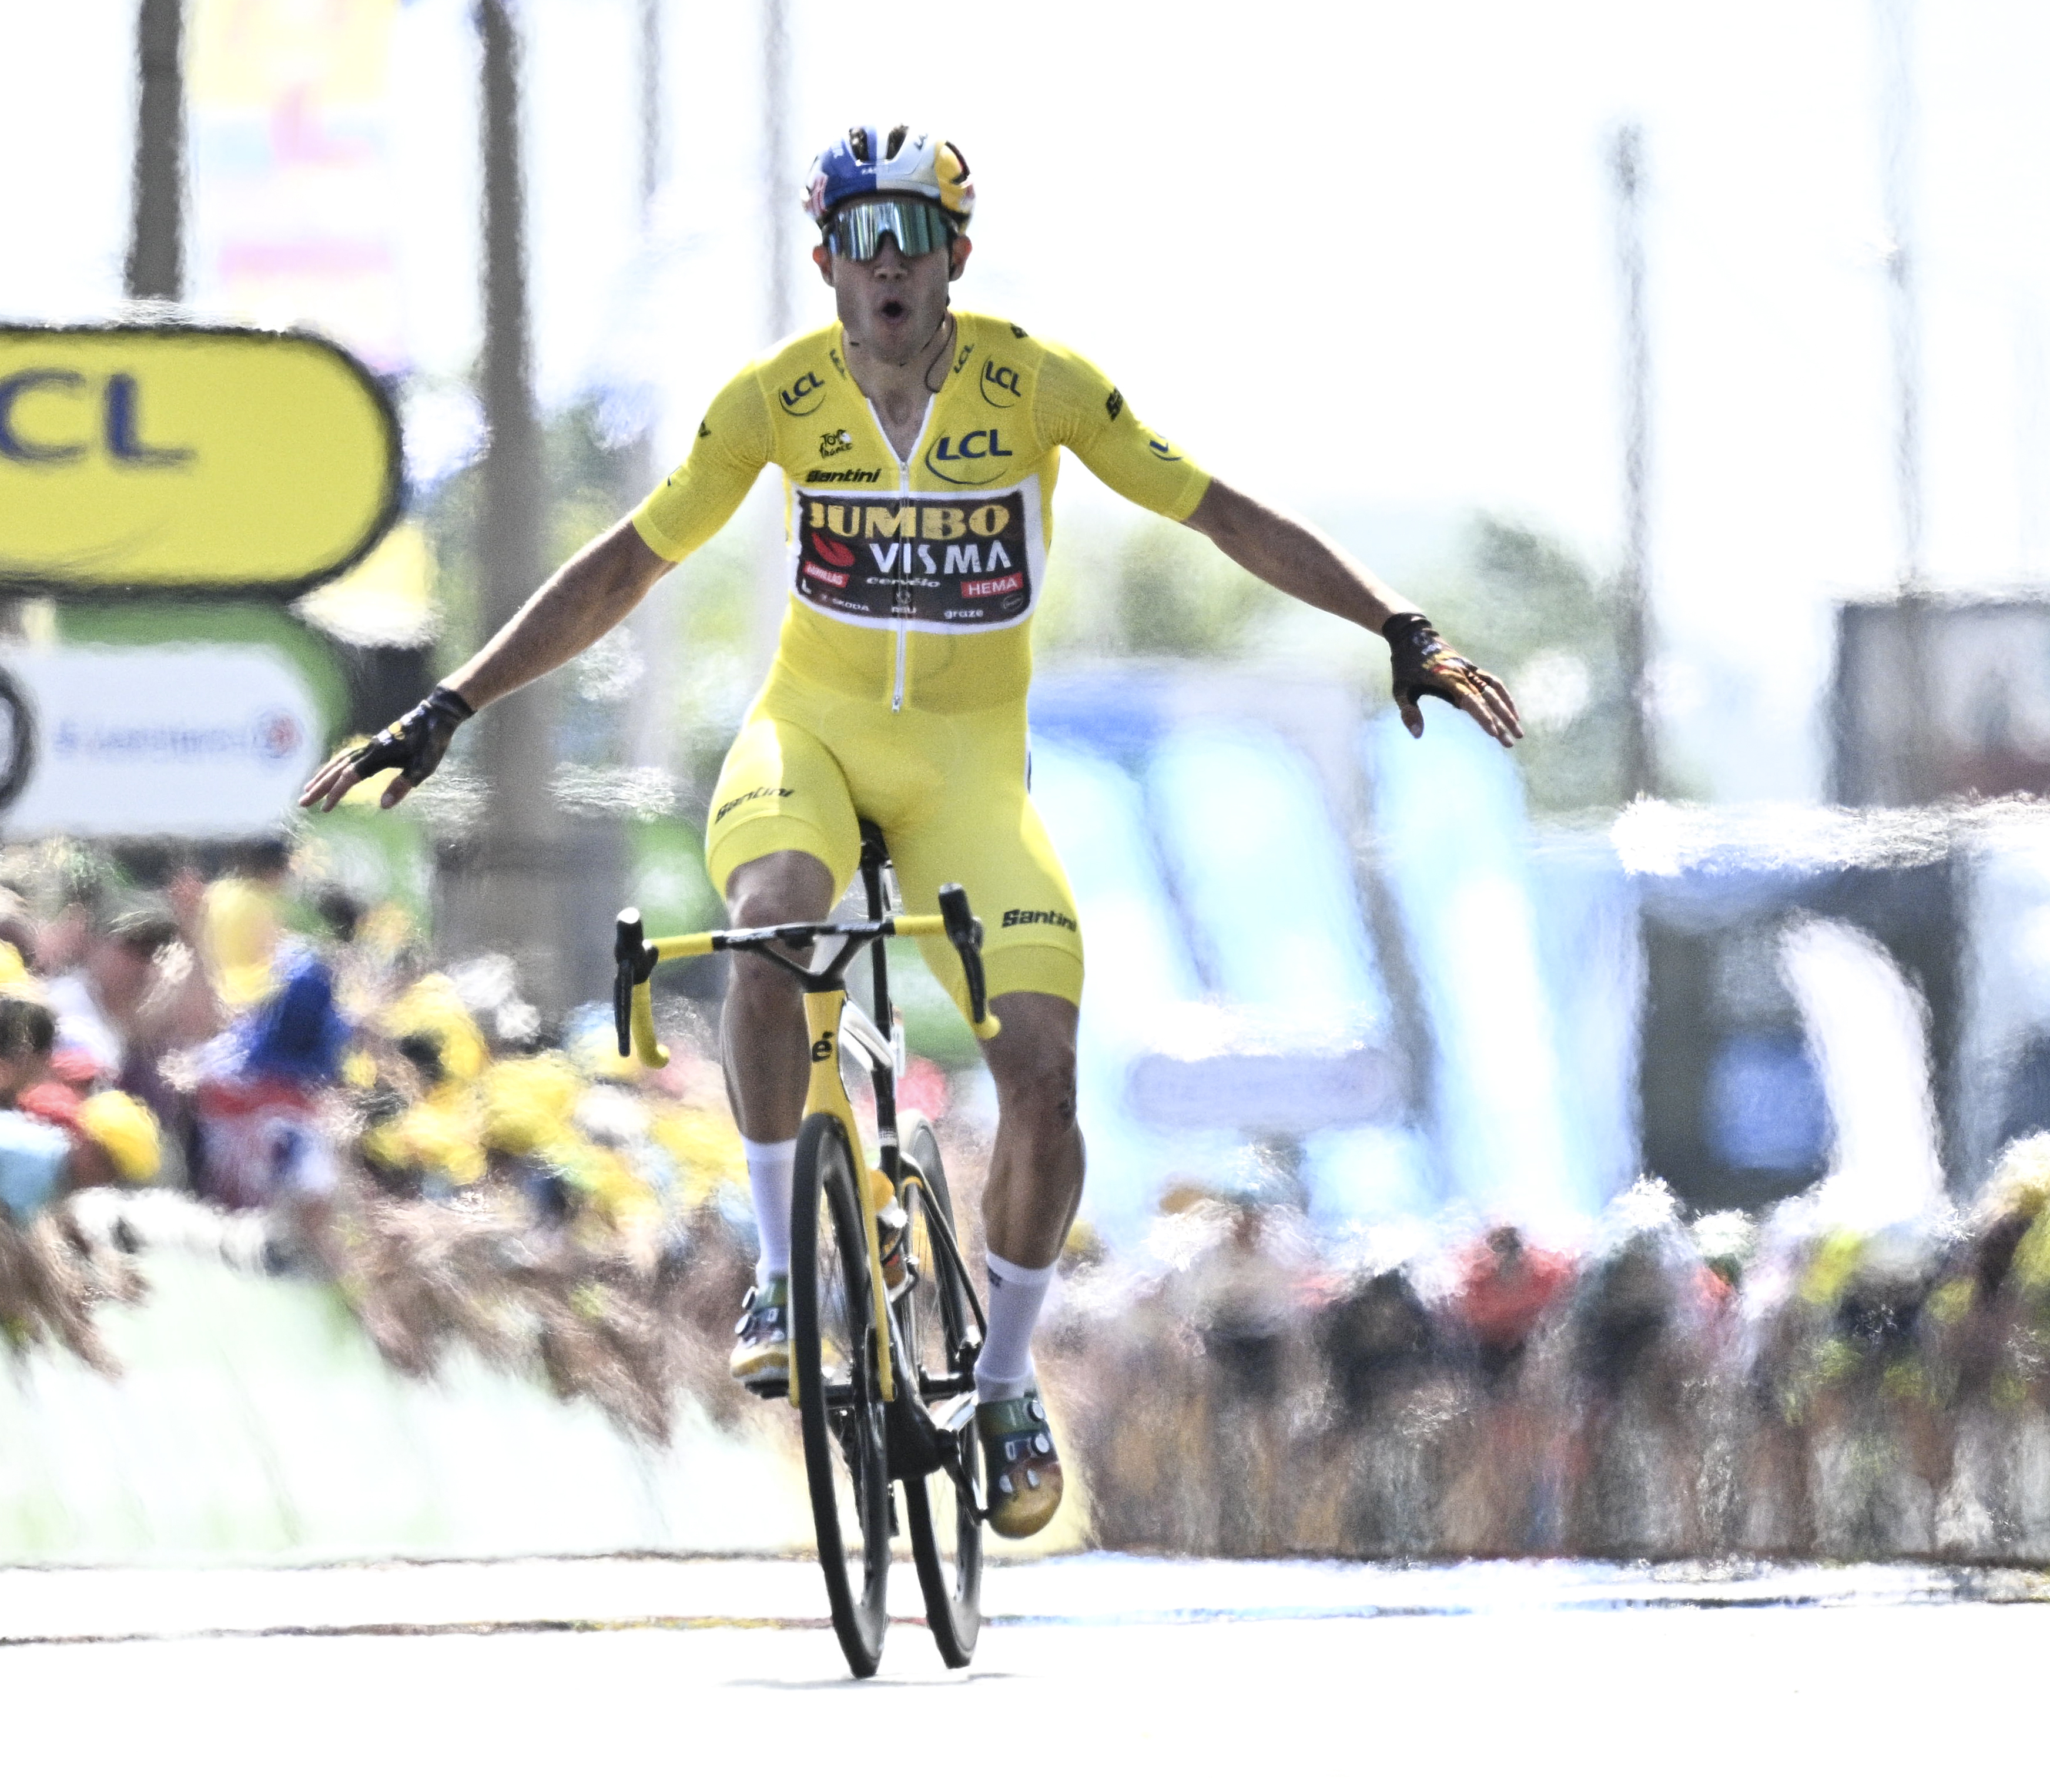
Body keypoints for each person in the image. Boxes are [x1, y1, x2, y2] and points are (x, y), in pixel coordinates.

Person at [300, 123, 1519, 1538]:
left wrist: (1396, 624)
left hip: (966, 779)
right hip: (807, 739)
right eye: (860, 240)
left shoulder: (1036, 386)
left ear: (954, 255)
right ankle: (779, 1266)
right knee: (773, 920)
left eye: (913, 237)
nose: (888, 266)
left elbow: (1218, 511)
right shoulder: (776, 398)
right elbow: (630, 559)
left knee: (1047, 1078)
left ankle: (1002, 1386)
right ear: (824, 260)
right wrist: (450, 703)